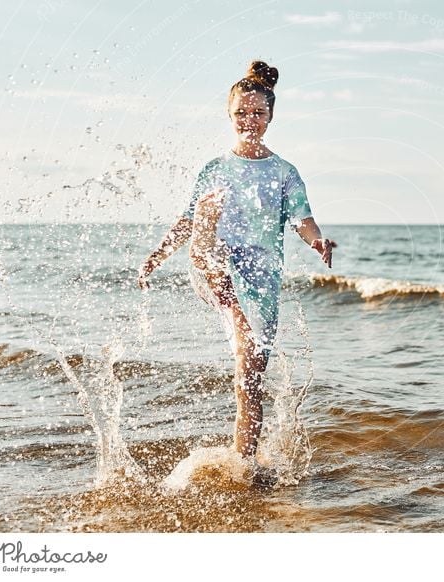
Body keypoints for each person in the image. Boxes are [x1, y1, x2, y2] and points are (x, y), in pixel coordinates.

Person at [137, 61, 335, 458]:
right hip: (217, 267)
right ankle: (209, 241)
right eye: (241, 113)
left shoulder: (283, 172)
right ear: (229, 116)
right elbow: (185, 219)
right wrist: (158, 255)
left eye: (258, 113)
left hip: (261, 281)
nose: (250, 120)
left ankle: (245, 460)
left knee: (252, 373)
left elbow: (302, 218)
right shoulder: (215, 168)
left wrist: (317, 242)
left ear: (271, 117)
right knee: (208, 217)